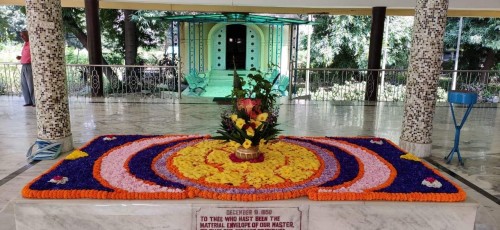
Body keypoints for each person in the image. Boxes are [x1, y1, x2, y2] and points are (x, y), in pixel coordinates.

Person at [16, 29, 35, 107]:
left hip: (29, 66)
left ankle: (35, 102)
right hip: (24, 66)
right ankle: (28, 101)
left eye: (23, 35)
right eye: (21, 35)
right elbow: (27, 55)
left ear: (28, 34)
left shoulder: (32, 44)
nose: (22, 37)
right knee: (24, 84)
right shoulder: (25, 44)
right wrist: (21, 57)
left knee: (31, 85)